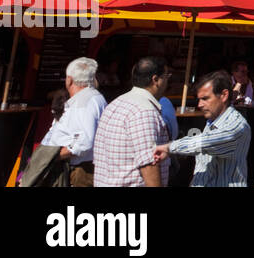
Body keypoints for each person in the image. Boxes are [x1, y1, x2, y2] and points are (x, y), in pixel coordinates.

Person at [155, 70, 251, 187]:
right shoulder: (212, 121)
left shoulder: (236, 125)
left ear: (224, 95)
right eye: (199, 99)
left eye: (205, 98)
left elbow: (205, 143)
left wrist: (168, 147)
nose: (199, 104)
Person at [93, 57, 172, 188]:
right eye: (166, 76)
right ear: (155, 80)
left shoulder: (117, 102)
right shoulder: (144, 111)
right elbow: (148, 163)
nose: (167, 81)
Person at [44, 57, 107, 187]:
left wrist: (51, 157)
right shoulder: (90, 98)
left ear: (70, 79)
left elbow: (84, 143)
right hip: (79, 168)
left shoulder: (84, 102)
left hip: (81, 171)